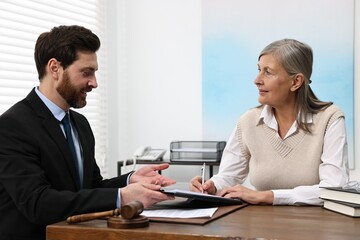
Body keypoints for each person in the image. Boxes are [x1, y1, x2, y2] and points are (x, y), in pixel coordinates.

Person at [0, 25, 175, 240]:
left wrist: (130, 180)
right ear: (54, 68)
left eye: (94, 72)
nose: (94, 82)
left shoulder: (80, 123)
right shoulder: (11, 126)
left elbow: (90, 188)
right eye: (86, 72)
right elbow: (38, 203)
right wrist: (122, 196)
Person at [190, 39, 349, 205]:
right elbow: (228, 176)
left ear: (296, 82)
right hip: (260, 224)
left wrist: (268, 196)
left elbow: (333, 189)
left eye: (268, 72)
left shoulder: (330, 119)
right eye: (259, 70)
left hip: (315, 226)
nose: (257, 80)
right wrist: (212, 186)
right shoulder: (248, 121)